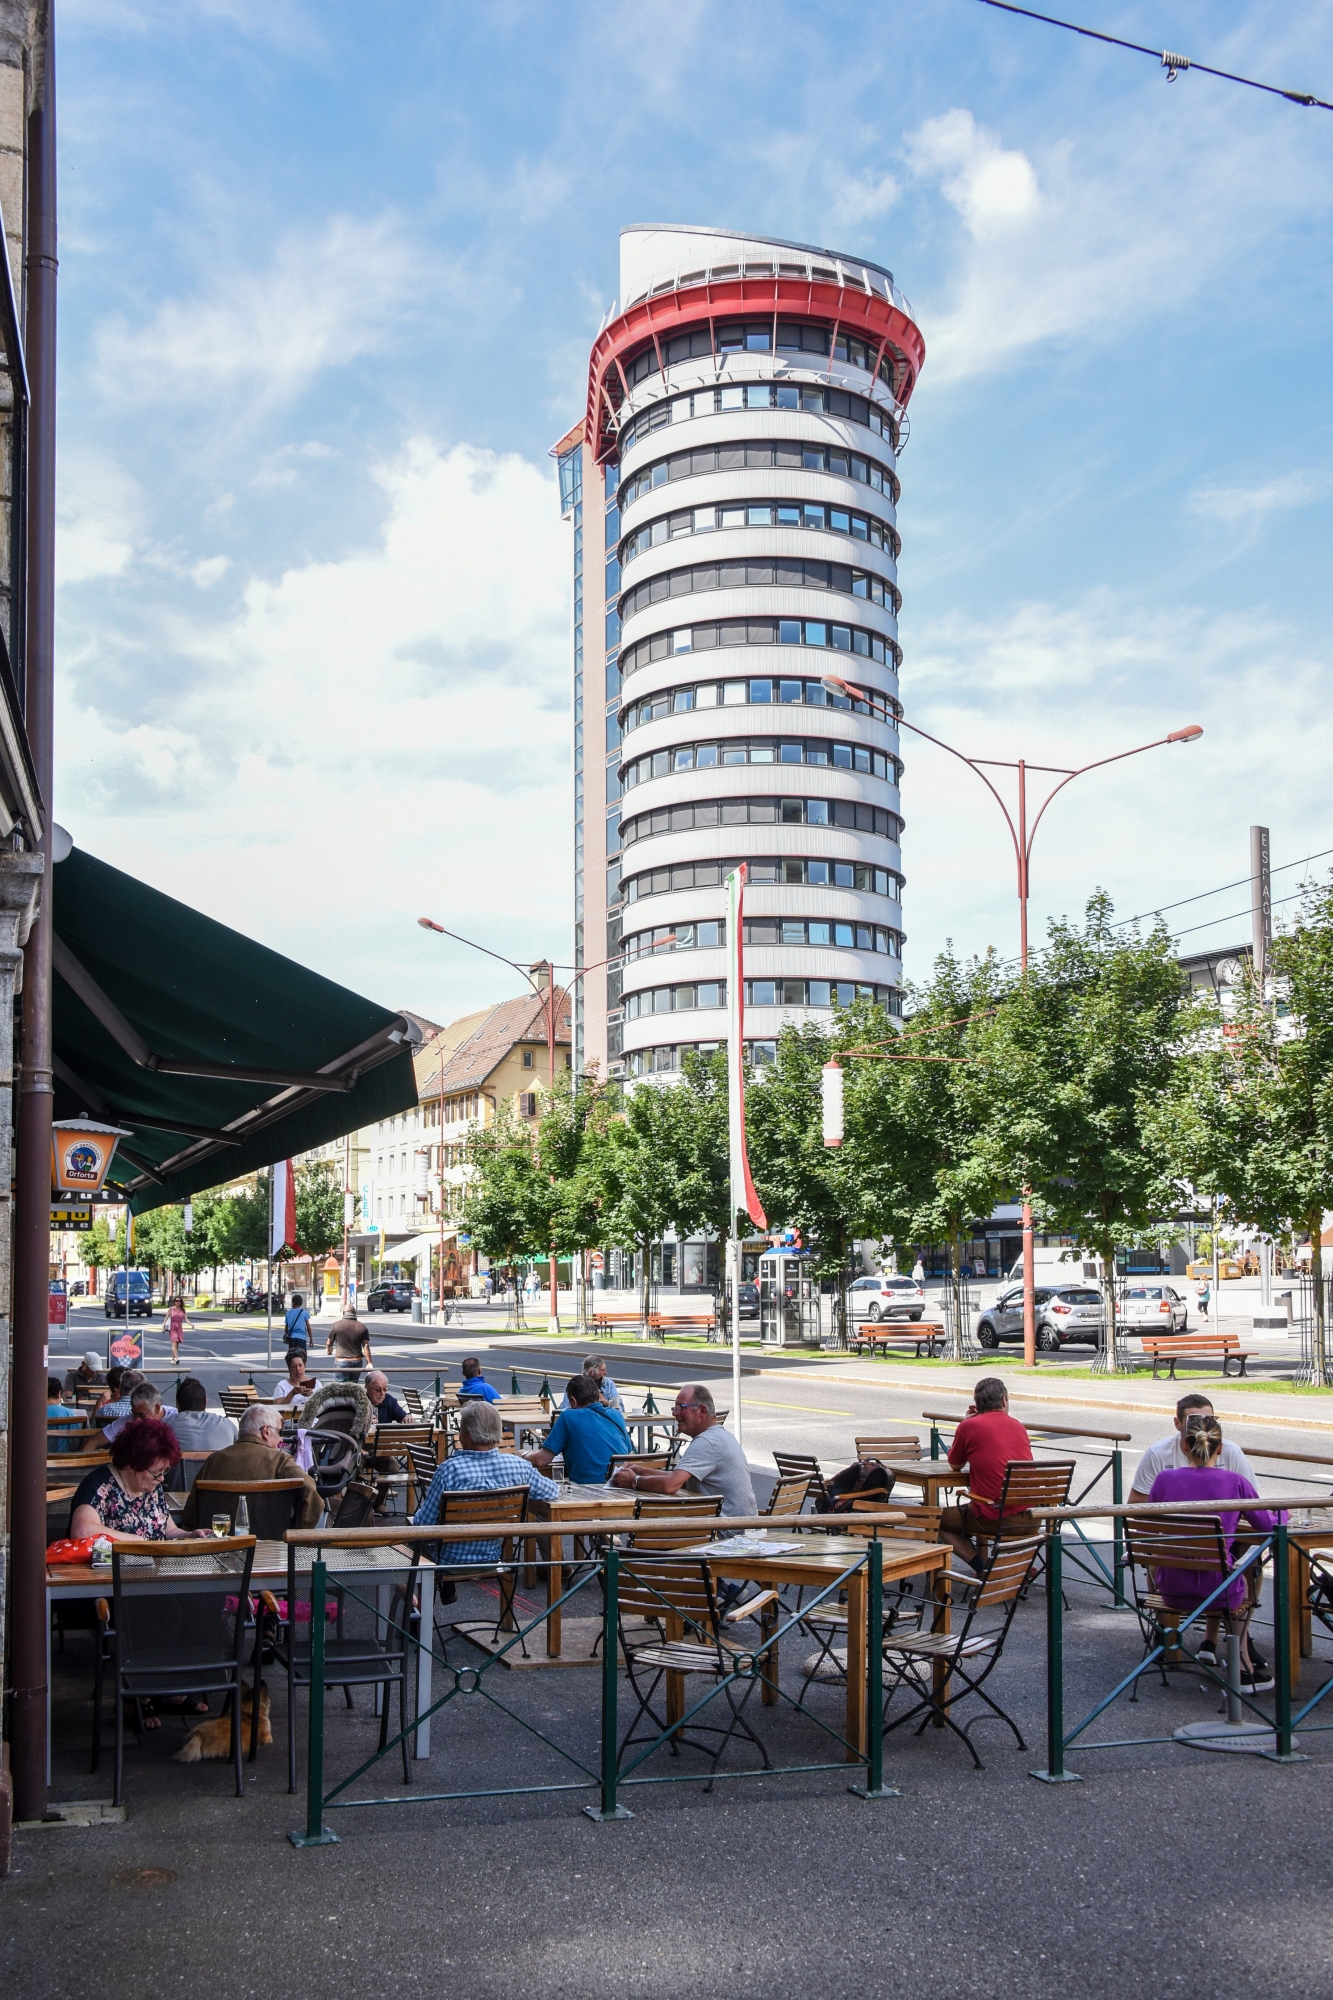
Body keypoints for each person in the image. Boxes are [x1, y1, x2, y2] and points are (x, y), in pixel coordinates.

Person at [1147, 1412, 1282, 1693]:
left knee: (1226, 1573)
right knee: (1242, 1578)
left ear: (1185, 1446)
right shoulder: (1234, 1482)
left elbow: (1150, 1525)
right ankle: (1242, 1666)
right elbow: (1266, 1528)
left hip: (1170, 1589)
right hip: (1220, 1594)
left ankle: (1192, 1646)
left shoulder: (1164, 1480)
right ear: (1220, 1449)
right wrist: (1283, 1514)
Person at [412, 1399, 558, 1592]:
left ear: (468, 1436)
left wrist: (413, 1520)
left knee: (408, 1542)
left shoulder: (449, 1470)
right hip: (493, 1556)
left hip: (447, 1560)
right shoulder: (519, 1467)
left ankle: (417, 1613)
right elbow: (552, 1491)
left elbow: (423, 1525)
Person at [609, 1382, 756, 1521]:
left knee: (650, 1528)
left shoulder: (706, 1442)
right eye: (675, 1408)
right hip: (742, 1528)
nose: (675, 1413)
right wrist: (641, 1471)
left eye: (681, 1407)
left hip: (727, 1535)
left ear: (702, 1411)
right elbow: (680, 1480)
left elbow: (670, 1485)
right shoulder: (720, 1435)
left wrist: (634, 1481)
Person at [938, 1376, 1034, 1570]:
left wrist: (965, 1422)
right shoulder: (1018, 1426)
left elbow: (955, 1464)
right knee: (974, 1509)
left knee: (935, 1520)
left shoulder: (969, 1426)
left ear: (977, 1404)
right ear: (1004, 1401)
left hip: (997, 1518)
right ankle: (1009, 1568)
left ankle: (982, 1567)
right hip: (1033, 1517)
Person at [180, 1404, 321, 1530]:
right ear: (266, 1431)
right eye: (280, 1432)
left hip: (219, 1549)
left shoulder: (214, 1460)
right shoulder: (280, 1461)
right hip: (273, 1550)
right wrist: (296, 1531)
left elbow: (190, 1516)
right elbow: (311, 1493)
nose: (281, 1439)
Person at [70, 1416, 205, 1543]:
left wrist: (189, 1536)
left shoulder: (150, 1486)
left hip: (153, 1565)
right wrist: (138, 1541)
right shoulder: (98, 1487)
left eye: (164, 1471)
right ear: (132, 1464)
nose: (161, 1478)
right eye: (156, 1473)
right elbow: (82, 1532)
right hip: (113, 1567)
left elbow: (169, 1530)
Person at [1129, 1394, 1257, 1503]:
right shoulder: (1157, 1454)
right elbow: (1257, 1512)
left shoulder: (1164, 1478)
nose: (1202, 1427)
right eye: (1193, 1422)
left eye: (1209, 1421)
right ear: (1177, 1423)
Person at [528, 1374, 633, 1485]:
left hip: (588, 1488)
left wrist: (523, 1454)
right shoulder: (617, 1415)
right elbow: (628, 1452)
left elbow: (541, 1460)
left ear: (573, 1401)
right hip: (620, 1485)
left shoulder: (568, 1416)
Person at [163, 1377, 237, 1452]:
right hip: (218, 1463)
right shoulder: (228, 1425)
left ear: (177, 1404)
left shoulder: (163, 1427)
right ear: (205, 1402)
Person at [326, 1304, 373, 1377]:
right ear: (354, 1313)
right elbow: (366, 1346)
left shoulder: (336, 1325)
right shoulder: (362, 1327)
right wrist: (369, 1362)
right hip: (357, 1361)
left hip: (342, 1361)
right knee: (353, 1386)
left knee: (340, 1387)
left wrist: (329, 1350)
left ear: (343, 1313)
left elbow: (329, 1342)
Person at [162, 1294, 194, 1363]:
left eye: (179, 1301)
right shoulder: (171, 1309)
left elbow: (186, 1319)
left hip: (179, 1328)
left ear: (181, 1302)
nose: (178, 1302)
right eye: (176, 1301)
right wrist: (163, 1327)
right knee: (174, 1343)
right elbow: (166, 1319)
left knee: (177, 1344)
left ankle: (172, 1359)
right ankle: (177, 1358)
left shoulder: (183, 1310)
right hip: (172, 1327)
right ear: (174, 1302)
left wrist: (191, 1324)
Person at [47, 1377, 75, 1451]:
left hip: (39, 1458)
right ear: (59, 1394)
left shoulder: (34, 1413)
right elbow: (76, 1438)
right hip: (63, 1457)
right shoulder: (68, 1413)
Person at [284, 1292, 312, 1359]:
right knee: (303, 1357)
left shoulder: (288, 1313)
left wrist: (287, 1334)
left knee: (292, 1357)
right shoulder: (304, 1313)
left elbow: (286, 1328)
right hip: (301, 1338)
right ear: (301, 1303)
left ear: (293, 1303)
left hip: (292, 1338)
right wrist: (311, 1339)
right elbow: (308, 1328)